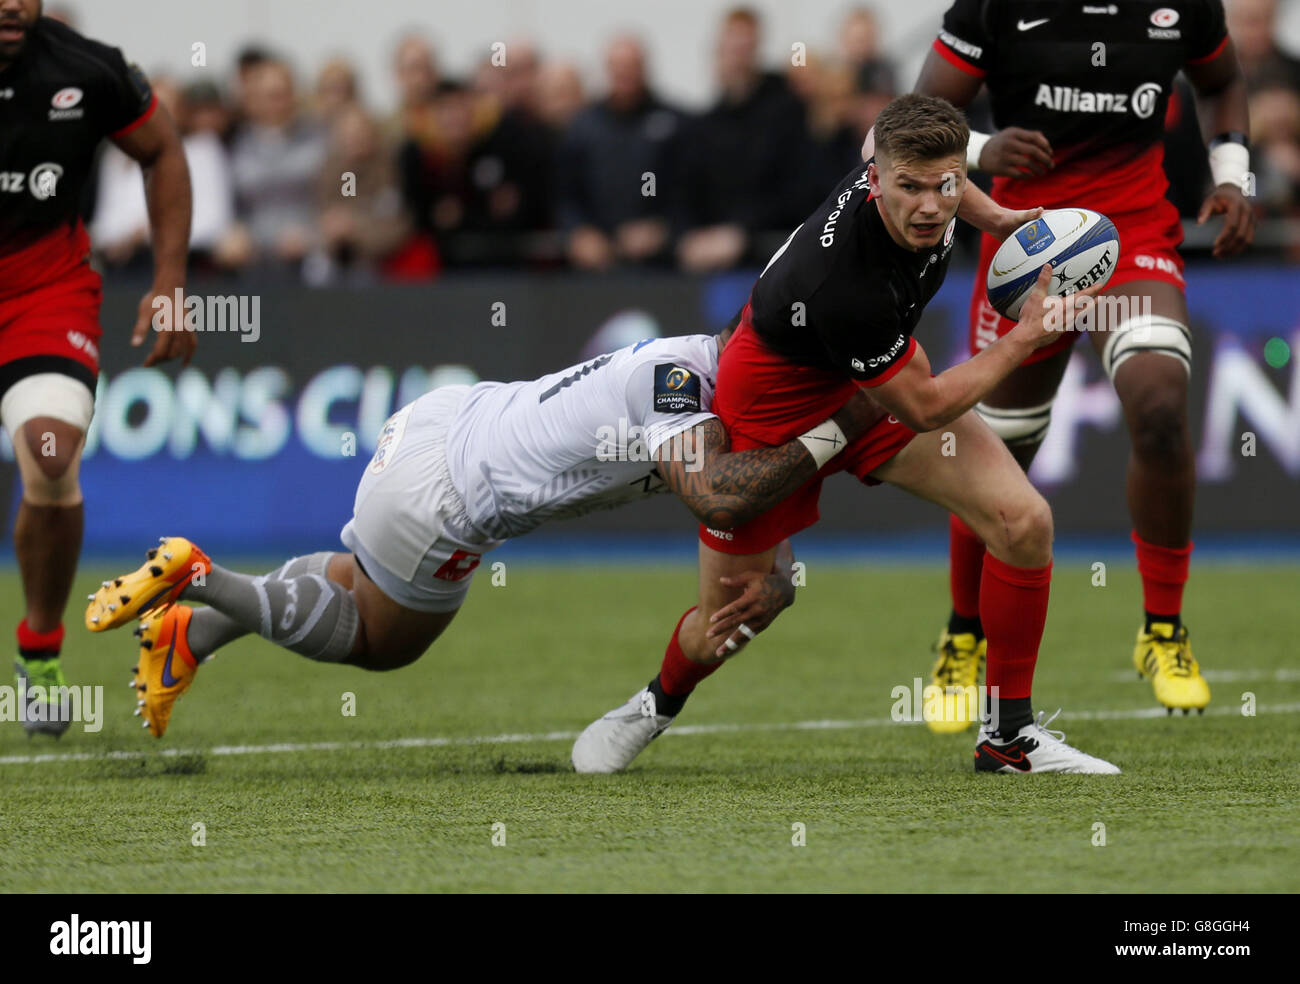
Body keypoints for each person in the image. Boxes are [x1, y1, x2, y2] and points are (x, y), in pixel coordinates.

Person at [574, 93, 1119, 775]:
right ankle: (657, 702)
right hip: (775, 407)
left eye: (944, 185)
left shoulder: (918, 180)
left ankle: (1009, 738)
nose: (928, 205)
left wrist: (998, 215)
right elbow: (924, 408)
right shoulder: (845, 283)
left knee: (1022, 521)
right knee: (737, 615)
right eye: (909, 188)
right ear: (876, 181)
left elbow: (890, 143)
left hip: (874, 381)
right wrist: (1023, 340)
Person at [84, 332, 884, 739]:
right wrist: (845, 425)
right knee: (379, 640)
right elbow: (719, 501)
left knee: (359, 577)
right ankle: (199, 576)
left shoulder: (703, 366)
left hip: (442, 420)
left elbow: (755, 503)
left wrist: (779, 567)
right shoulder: (682, 387)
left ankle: (191, 631)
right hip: (450, 496)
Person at [914, 0, 1254, 726]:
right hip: (1026, 241)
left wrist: (1234, 174)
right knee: (997, 455)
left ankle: (1163, 629)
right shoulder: (990, 6)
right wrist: (981, 150)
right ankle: (963, 634)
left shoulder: (1180, 4)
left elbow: (1221, 80)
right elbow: (917, 119)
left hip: (1133, 236)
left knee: (1161, 408)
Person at [0, 0, 192, 735]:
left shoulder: (86, 68)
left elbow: (163, 150)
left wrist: (170, 283)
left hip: (41, 293)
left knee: (50, 458)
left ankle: (40, 651)